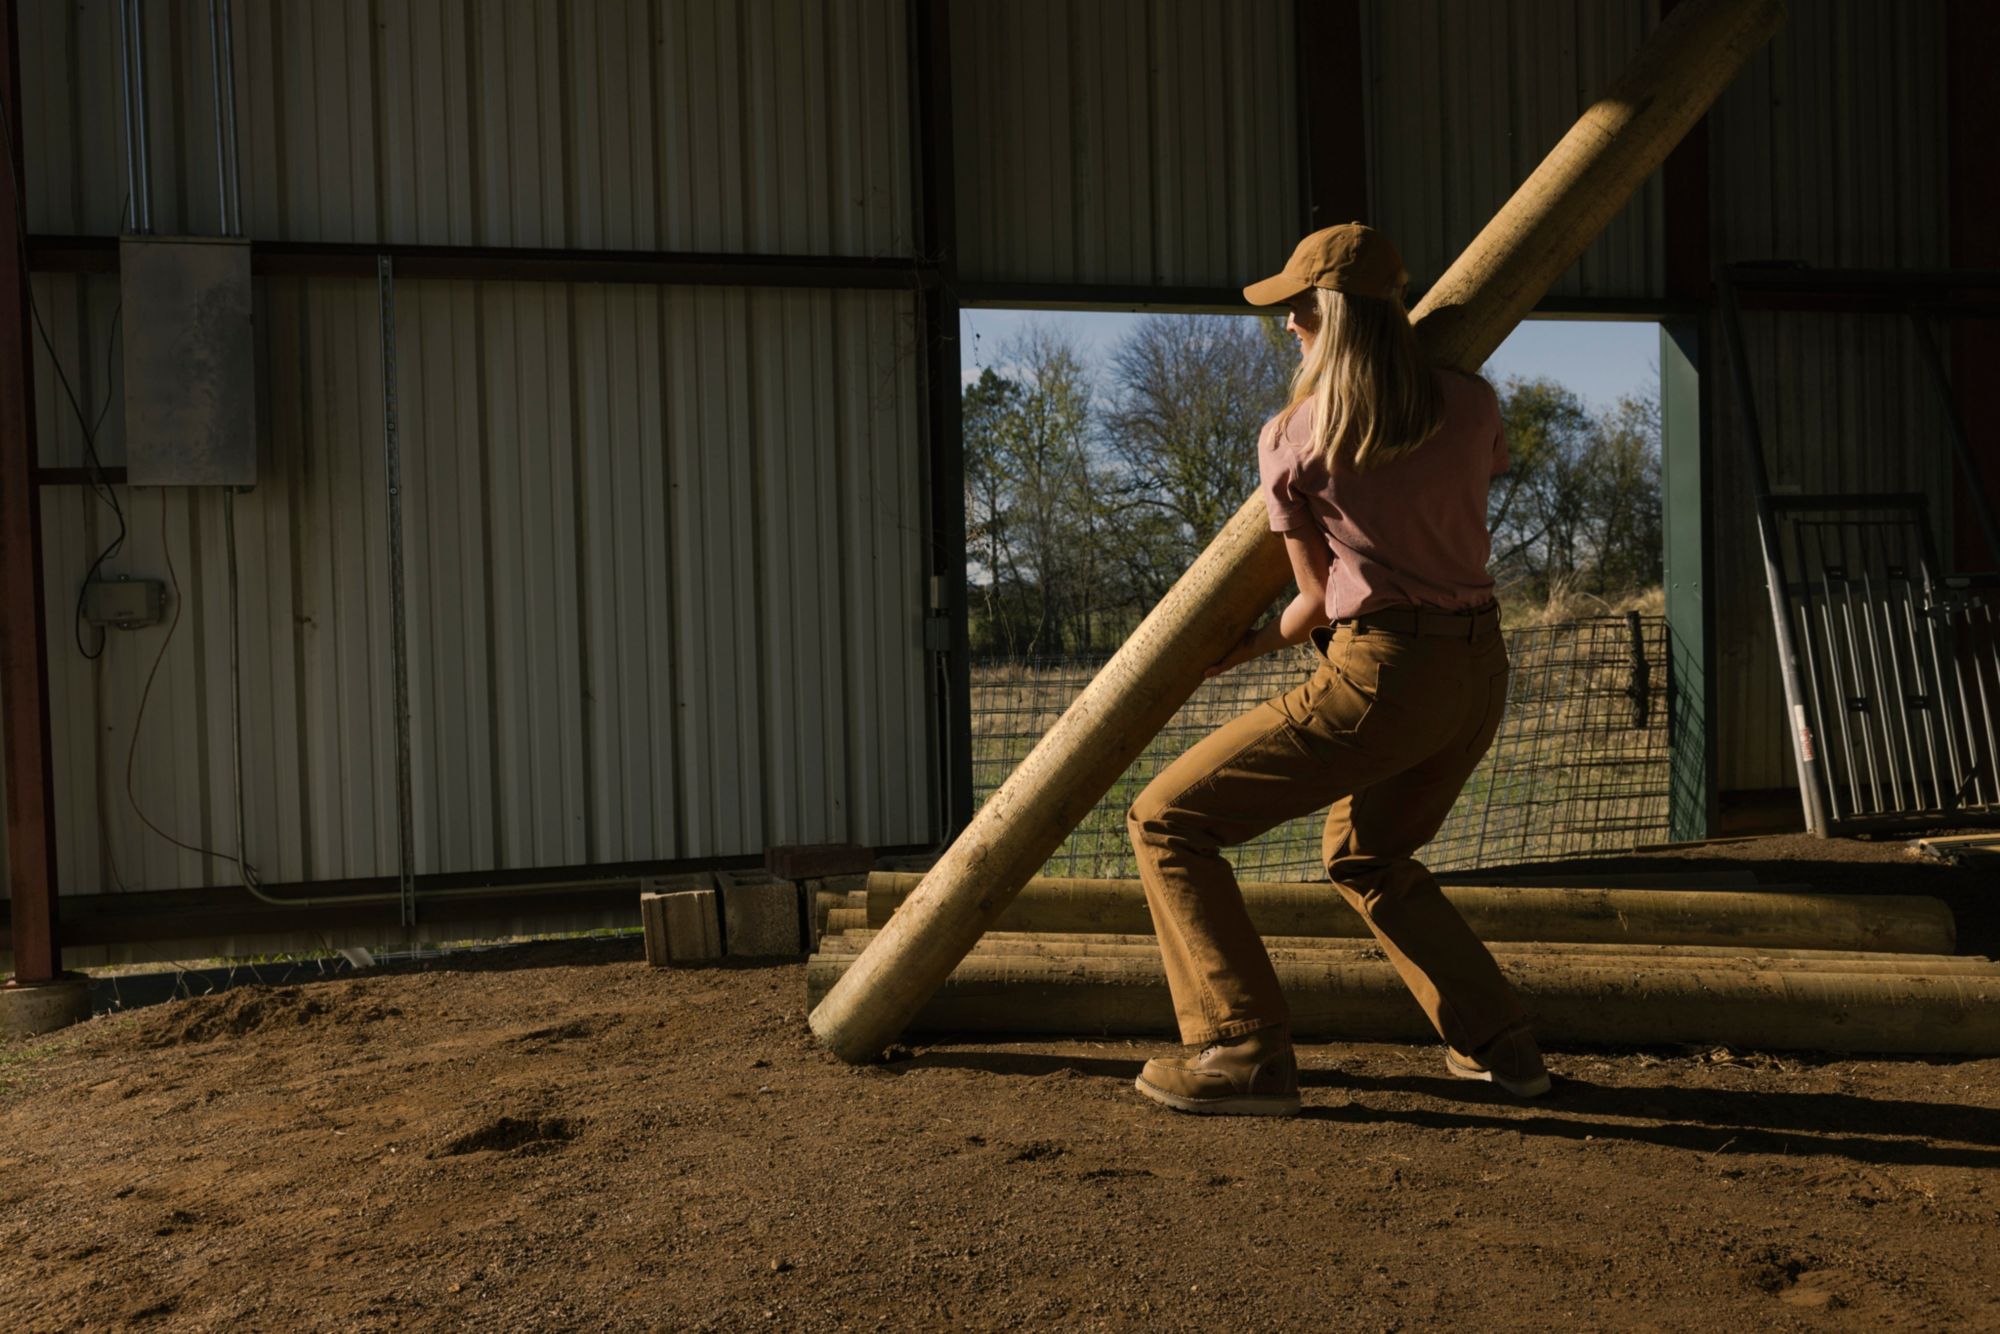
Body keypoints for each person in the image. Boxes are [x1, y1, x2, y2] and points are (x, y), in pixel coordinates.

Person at [1127, 222, 1548, 1116]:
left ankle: (1239, 1050)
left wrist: (1248, 644)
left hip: (1383, 675)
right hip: (1478, 674)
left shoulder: (1293, 438)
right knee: (1368, 854)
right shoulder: (1472, 404)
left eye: (1294, 309)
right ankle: (1502, 1047)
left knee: (1166, 820)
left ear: (1322, 314)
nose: (1285, 326)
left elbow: (1315, 602)